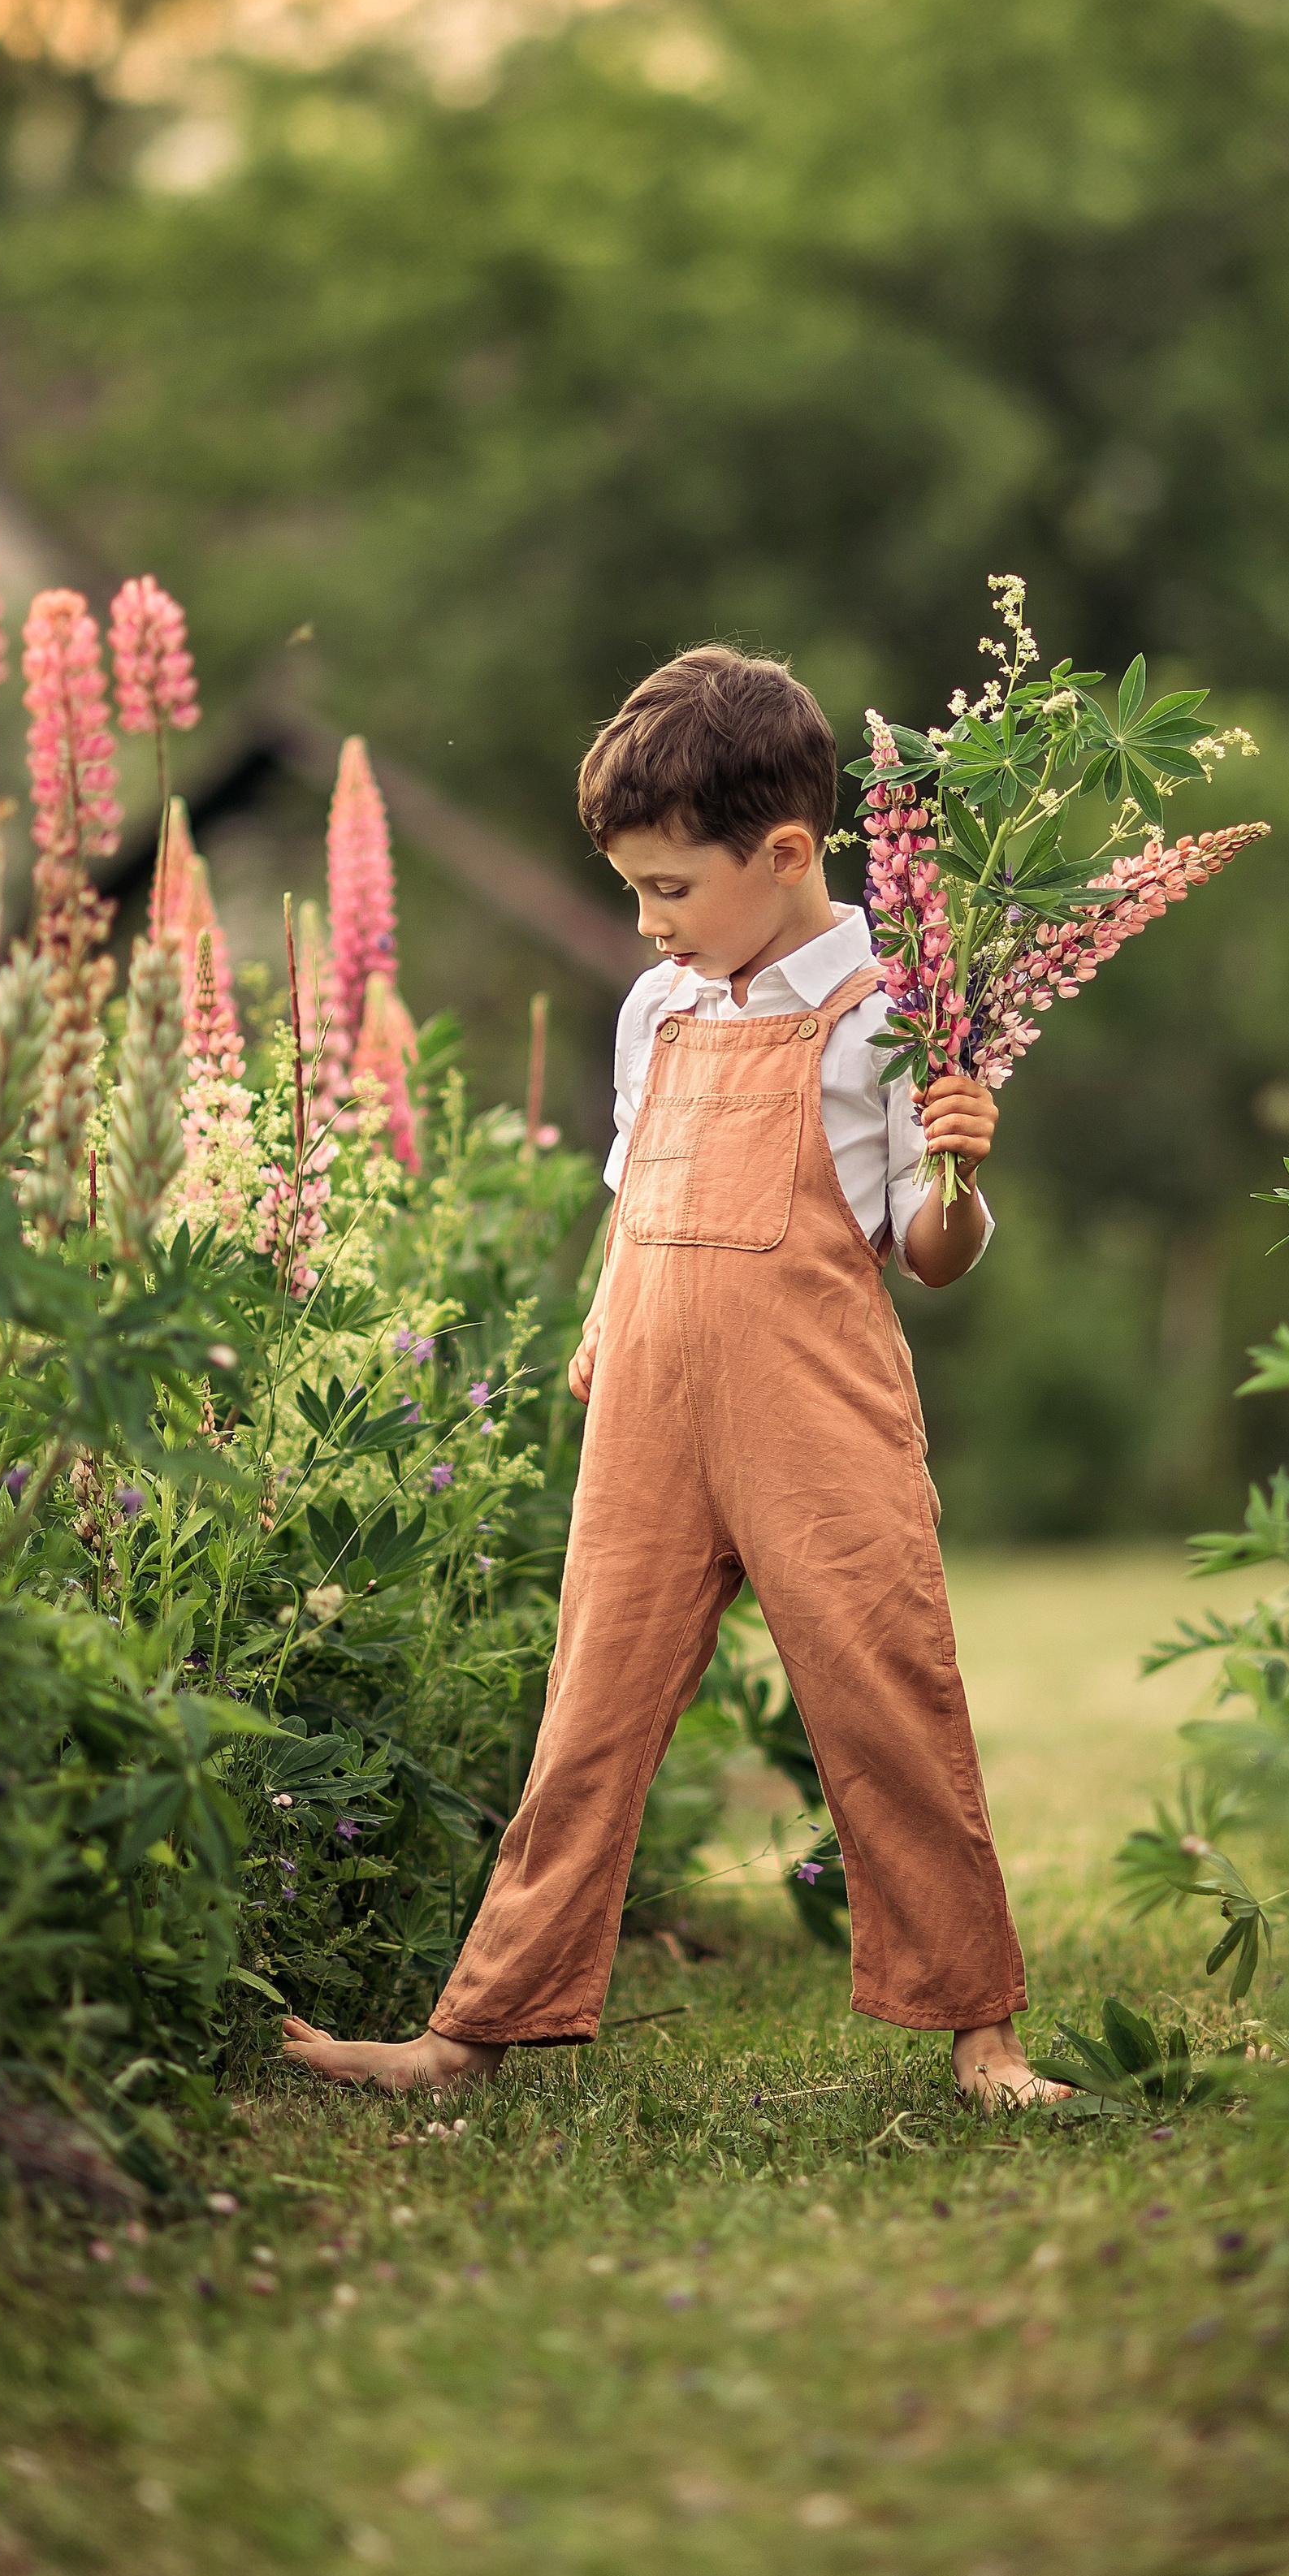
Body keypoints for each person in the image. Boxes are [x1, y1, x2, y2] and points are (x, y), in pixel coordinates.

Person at [283, 645, 1064, 2109]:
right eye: (635, 891)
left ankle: (983, 2034)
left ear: (786, 853)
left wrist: (960, 1164)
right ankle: (470, 2034)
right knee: (589, 1709)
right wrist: (600, 1340)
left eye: (670, 891)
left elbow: (933, 1251)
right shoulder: (660, 1011)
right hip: (646, 1407)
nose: (646, 925)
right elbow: (635, 1196)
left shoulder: (900, 1011)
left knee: (886, 1696)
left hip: (812, 1413)